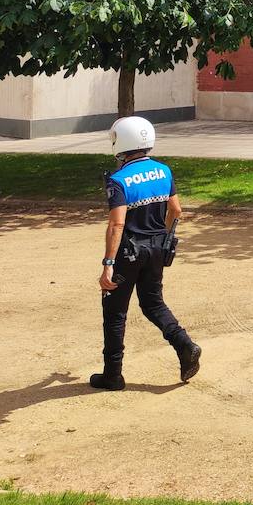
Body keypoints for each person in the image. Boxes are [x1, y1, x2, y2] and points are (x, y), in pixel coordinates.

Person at [91, 115, 202, 390]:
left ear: (122, 143)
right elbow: (176, 211)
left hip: (128, 251)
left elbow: (117, 224)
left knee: (115, 311)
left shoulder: (118, 180)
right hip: (156, 248)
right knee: (153, 303)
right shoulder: (163, 171)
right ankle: (185, 345)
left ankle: (112, 375)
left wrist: (107, 264)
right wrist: (161, 237)